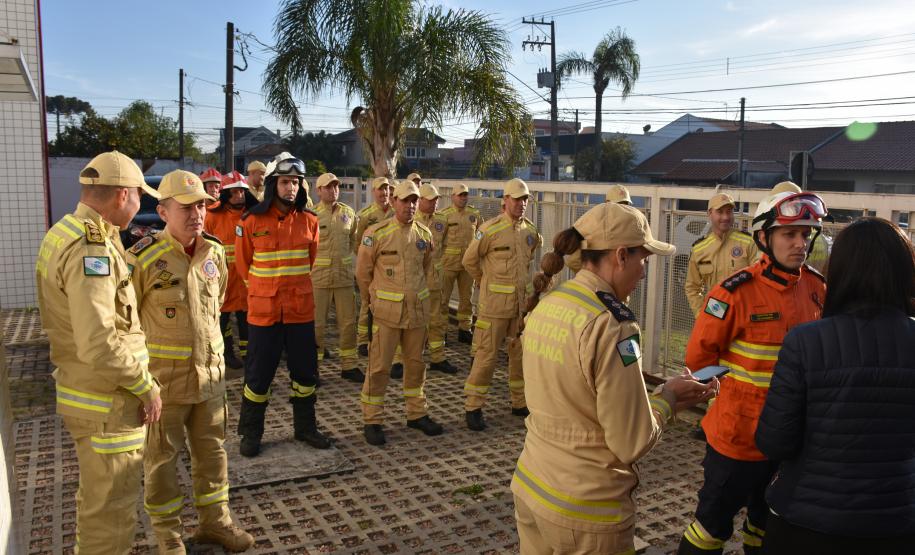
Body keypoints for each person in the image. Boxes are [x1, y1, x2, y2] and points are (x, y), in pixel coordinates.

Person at [512, 202, 717, 555]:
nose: (643, 272)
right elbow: (631, 442)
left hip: (532, 487)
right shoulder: (613, 325)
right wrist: (668, 399)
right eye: (643, 260)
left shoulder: (551, 302)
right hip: (586, 511)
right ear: (621, 256)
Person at [677, 190, 829, 555]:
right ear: (764, 238)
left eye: (805, 235)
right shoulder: (734, 293)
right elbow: (699, 360)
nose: (800, 244)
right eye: (789, 235)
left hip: (789, 442)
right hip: (737, 439)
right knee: (711, 529)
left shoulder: (816, 287)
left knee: (765, 528)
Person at [754, 217, 915, 554]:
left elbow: (774, 441)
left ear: (838, 271)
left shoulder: (805, 341)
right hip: (897, 521)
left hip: (805, 522)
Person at [35, 151, 162, 554]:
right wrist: (147, 387)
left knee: (96, 503)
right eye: (140, 197)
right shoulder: (93, 251)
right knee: (112, 513)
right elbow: (100, 343)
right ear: (122, 195)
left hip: (90, 397)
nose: (142, 205)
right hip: (107, 403)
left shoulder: (64, 232)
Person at [128, 170, 253, 553]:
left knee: (213, 453)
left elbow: (214, 309)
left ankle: (216, 523)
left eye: (201, 205)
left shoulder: (214, 251)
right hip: (164, 384)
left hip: (210, 378)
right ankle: (168, 535)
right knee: (161, 461)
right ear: (163, 211)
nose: (197, 213)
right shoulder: (143, 258)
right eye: (186, 207)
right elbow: (125, 322)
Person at [234, 155, 331, 457]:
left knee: (305, 374)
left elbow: (309, 261)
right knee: (258, 377)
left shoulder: (310, 221)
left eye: (296, 182)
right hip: (264, 313)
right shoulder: (250, 222)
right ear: (274, 183)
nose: (291, 188)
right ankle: (251, 433)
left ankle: (305, 428)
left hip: (300, 312)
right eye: (285, 181)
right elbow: (243, 266)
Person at [356, 180, 444, 446]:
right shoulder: (377, 233)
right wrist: (371, 300)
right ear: (394, 201)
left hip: (416, 314)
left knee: (416, 365)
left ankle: (416, 414)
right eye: (405, 200)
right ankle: (373, 420)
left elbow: (427, 268)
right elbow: (362, 274)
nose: (410, 205)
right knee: (379, 367)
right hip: (387, 314)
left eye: (414, 200)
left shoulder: (424, 235)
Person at [461, 178, 542, 431]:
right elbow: (469, 261)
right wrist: (484, 283)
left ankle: (519, 402)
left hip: (520, 308)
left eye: (525, 199)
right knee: (486, 357)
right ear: (505, 201)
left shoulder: (530, 232)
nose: (522, 203)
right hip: (494, 308)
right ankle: (473, 407)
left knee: (519, 357)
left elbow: (529, 267)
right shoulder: (490, 230)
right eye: (517, 199)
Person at [312, 172, 364, 383]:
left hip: (343, 278)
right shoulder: (312, 215)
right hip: (319, 278)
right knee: (317, 325)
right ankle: (312, 368)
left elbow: (353, 240)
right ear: (318, 190)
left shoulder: (349, 213)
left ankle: (349, 365)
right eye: (328, 187)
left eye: (335, 186)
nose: (333, 190)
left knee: (348, 323)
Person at [204, 171, 258, 370]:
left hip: (246, 278)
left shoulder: (253, 215)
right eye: (235, 192)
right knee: (222, 321)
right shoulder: (212, 216)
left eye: (242, 192)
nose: (240, 196)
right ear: (226, 194)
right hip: (221, 280)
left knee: (247, 320)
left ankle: (249, 355)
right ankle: (226, 354)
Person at [684, 192, 758, 317]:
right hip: (716, 313)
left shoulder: (748, 242)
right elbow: (692, 287)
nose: (725, 217)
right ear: (709, 213)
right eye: (720, 212)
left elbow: (759, 281)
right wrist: (702, 315)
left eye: (729, 212)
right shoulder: (699, 249)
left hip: (744, 313)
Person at [416, 183, 457, 374]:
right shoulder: (411, 219)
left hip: (435, 280)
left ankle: (438, 357)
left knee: (437, 320)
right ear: (420, 200)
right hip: (415, 281)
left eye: (436, 199)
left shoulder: (443, 220)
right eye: (430, 200)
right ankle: (404, 359)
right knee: (412, 320)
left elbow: (446, 245)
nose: (435, 203)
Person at [354, 176, 395, 356]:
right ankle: (363, 340)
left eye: (386, 189)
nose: (384, 193)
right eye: (380, 189)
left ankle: (386, 340)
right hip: (372, 265)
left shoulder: (396, 212)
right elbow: (357, 243)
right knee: (367, 301)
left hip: (392, 267)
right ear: (373, 192)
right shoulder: (365, 215)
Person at [439, 183, 481, 345]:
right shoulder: (444, 216)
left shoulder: (474, 214)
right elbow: (438, 240)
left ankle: (465, 329)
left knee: (467, 299)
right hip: (448, 264)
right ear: (452, 197)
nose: (463, 198)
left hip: (467, 265)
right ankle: (441, 332)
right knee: (443, 300)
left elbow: (479, 238)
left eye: (465, 195)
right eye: (460, 195)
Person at [565, 184, 632, 273]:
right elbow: (572, 261)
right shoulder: (596, 225)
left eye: (625, 205)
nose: (621, 209)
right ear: (606, 203)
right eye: (618, 205)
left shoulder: (630, 228)